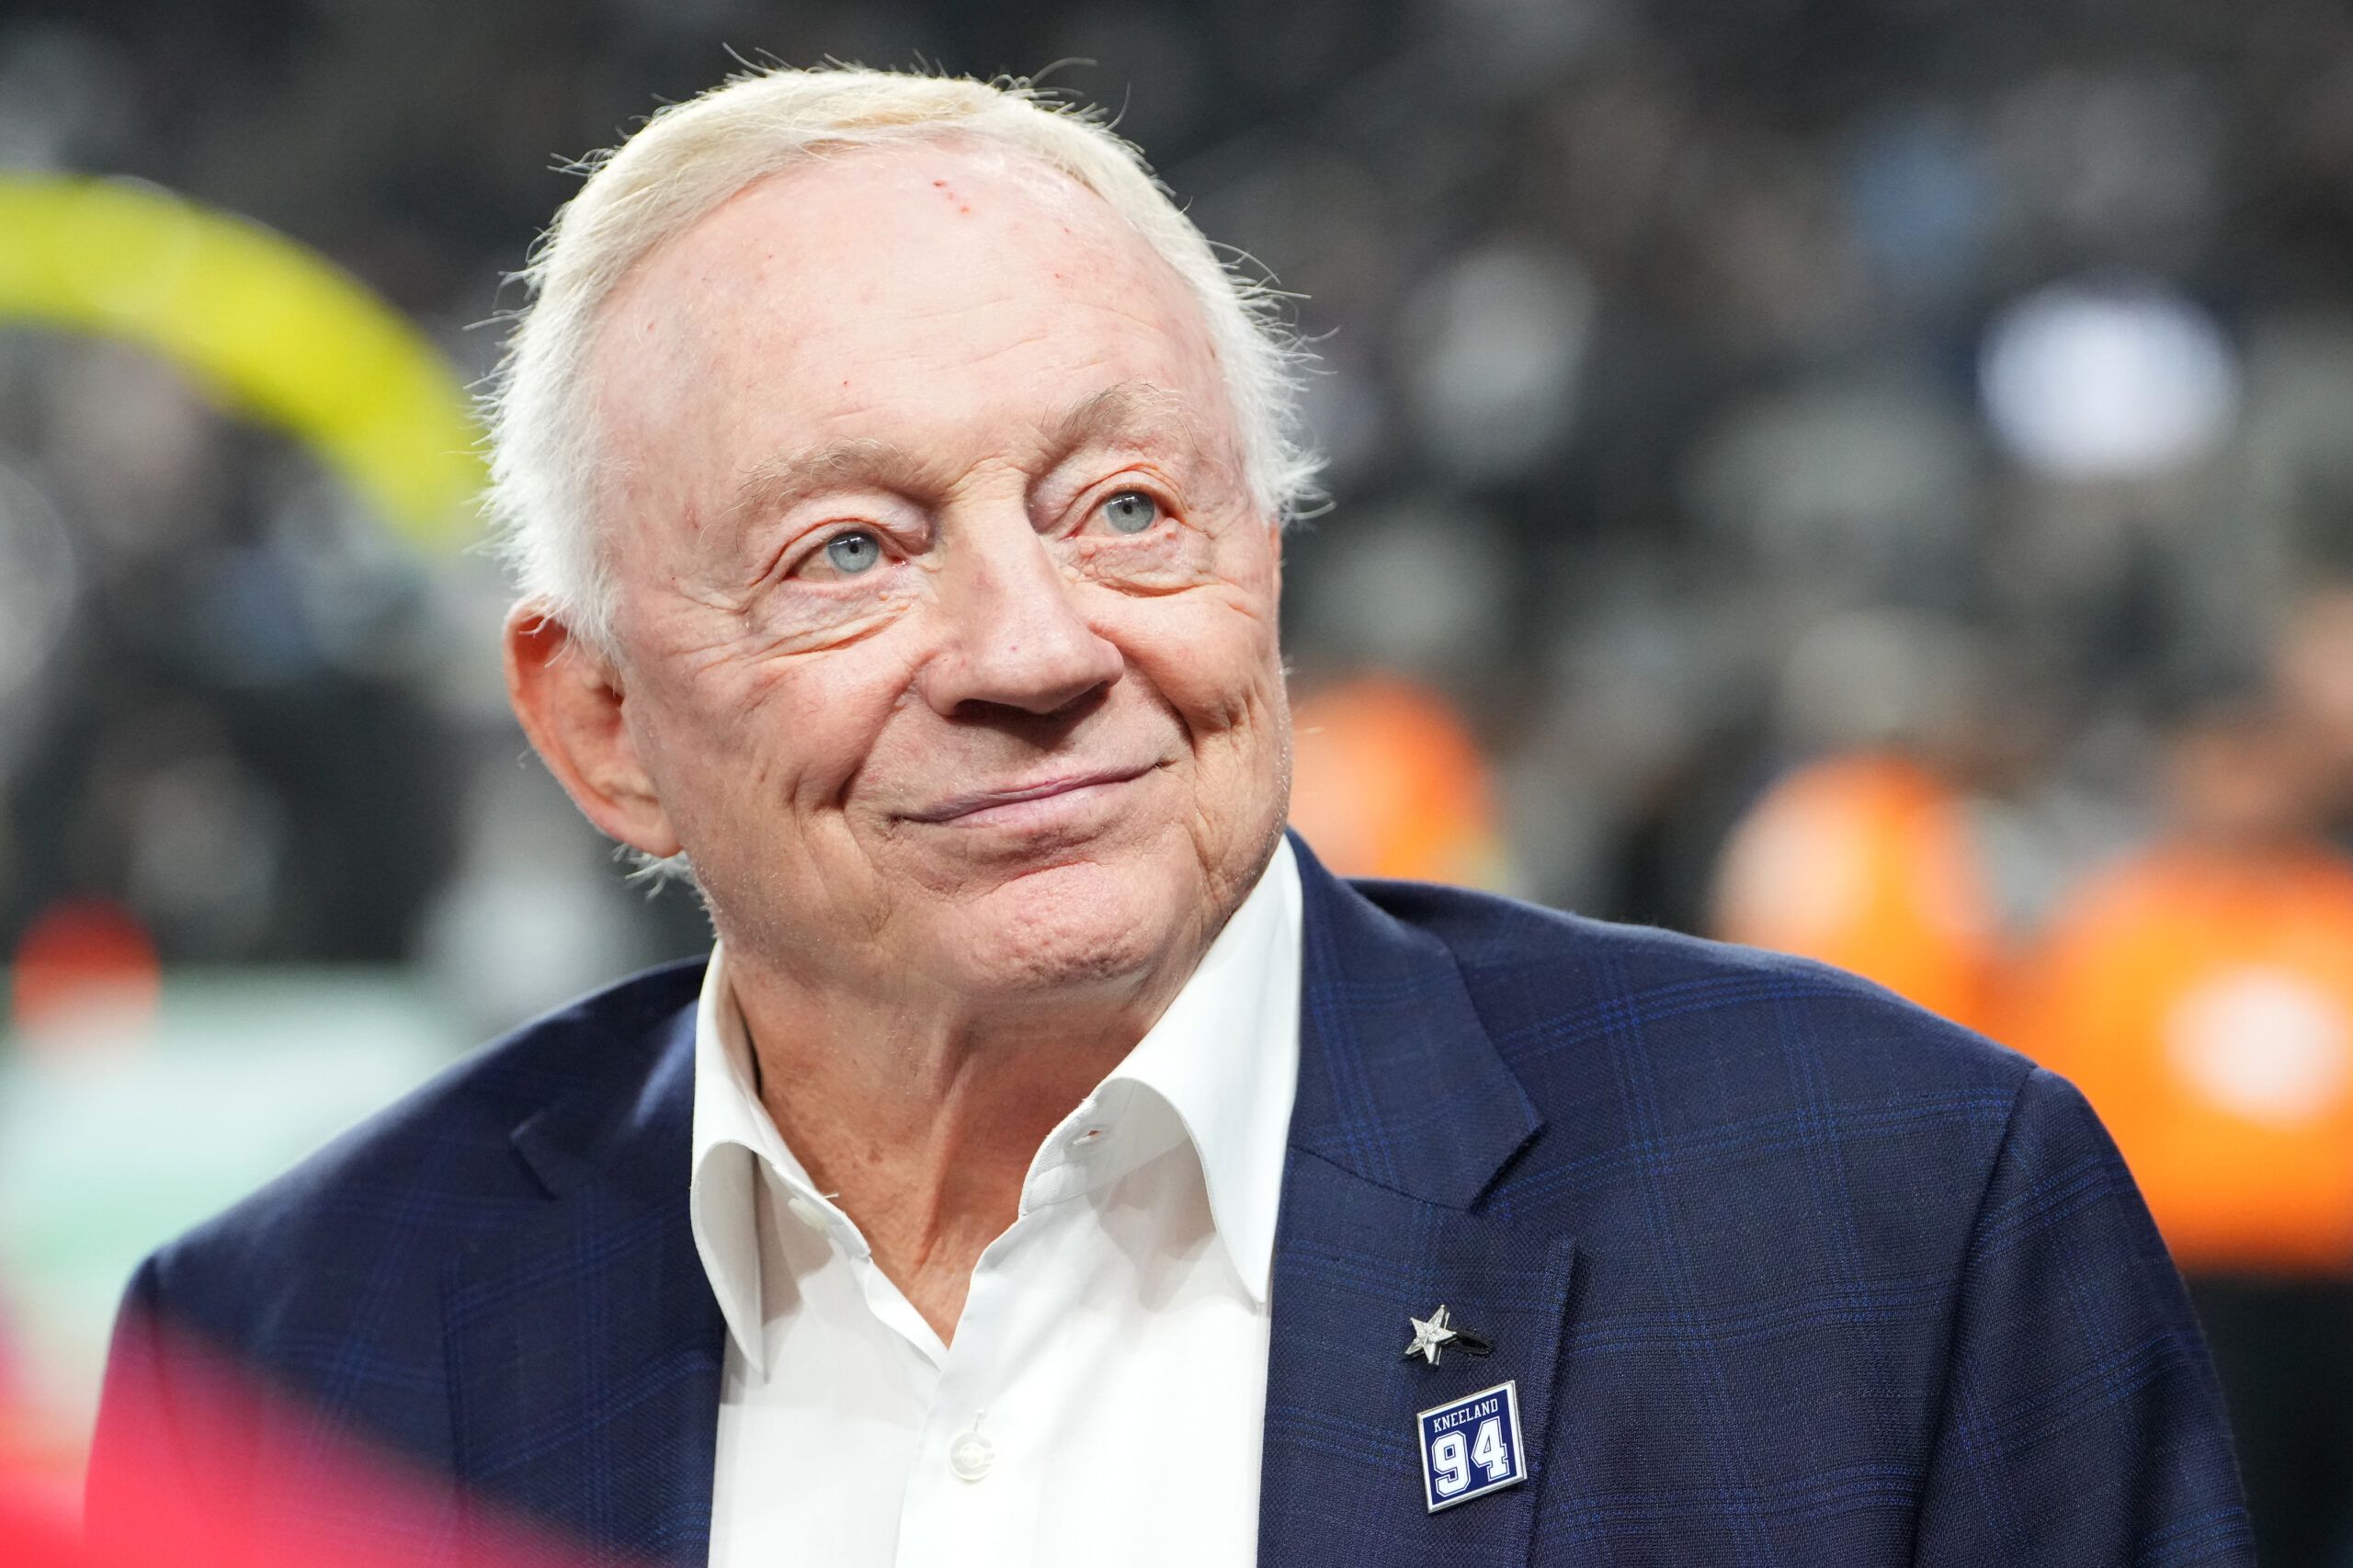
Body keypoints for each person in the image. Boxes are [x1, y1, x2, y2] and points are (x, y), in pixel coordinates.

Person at [88, 65, 2250, 1567]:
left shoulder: (1892, 1218)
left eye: (1126, 507)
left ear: (1269, 565)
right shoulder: (291, 1352)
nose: (1035, 648)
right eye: (852, 549)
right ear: (598, 725)